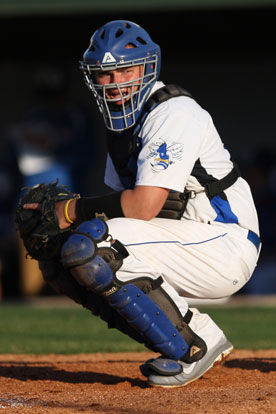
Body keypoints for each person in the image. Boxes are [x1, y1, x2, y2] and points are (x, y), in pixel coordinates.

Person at [24, 20, 261, 387]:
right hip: (185, 241)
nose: (115, 82)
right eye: (105, 73)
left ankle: (195, 343)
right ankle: (176, 340)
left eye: (125, 69)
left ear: (147, 67)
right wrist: (64, 226)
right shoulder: (122, 126)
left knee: (95, 245)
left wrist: (69, 211)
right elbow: (126, 210)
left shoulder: (173, 112)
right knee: (62, 256)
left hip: (225, 242)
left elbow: (143, 206)